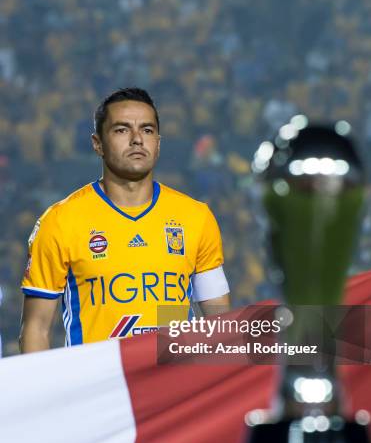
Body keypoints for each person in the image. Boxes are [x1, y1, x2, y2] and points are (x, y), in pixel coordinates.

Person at [20, 87, 230, 353]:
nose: (137, 140)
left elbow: (220, 323)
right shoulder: (61, 221)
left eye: (147, 130)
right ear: (98, 144)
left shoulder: (196, 217)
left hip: (173, 386)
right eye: (121, 130)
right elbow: (35, 329)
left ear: (158, 143)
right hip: (98, 389)